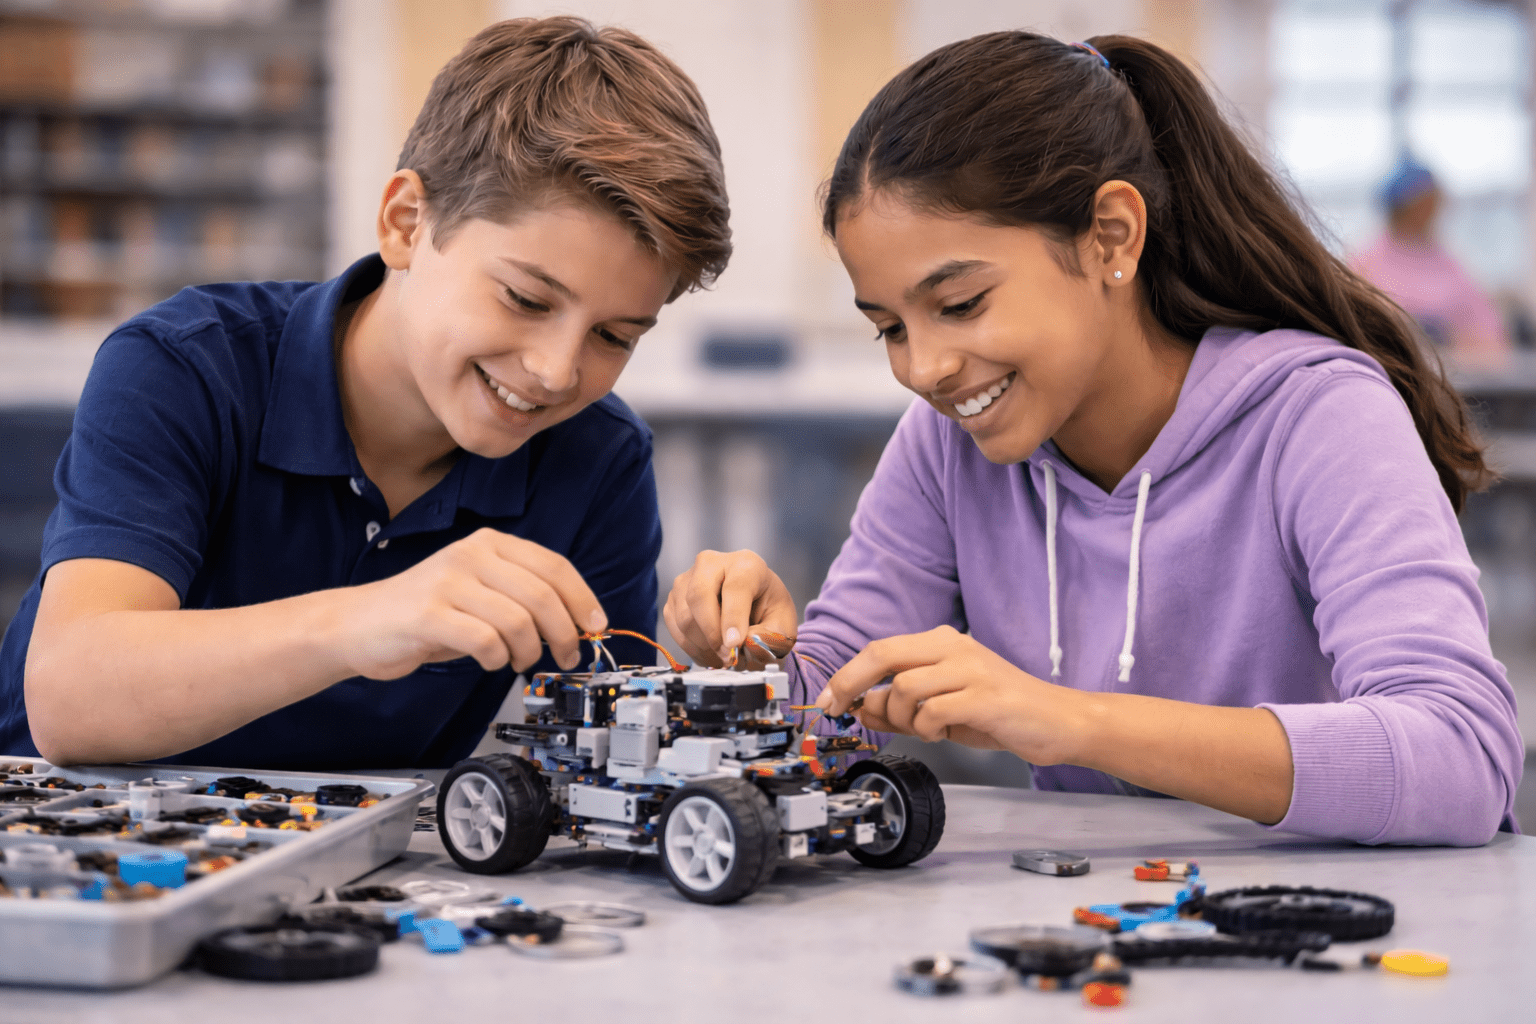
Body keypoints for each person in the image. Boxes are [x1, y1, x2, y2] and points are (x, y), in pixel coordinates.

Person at [665, 33, 1521, 846]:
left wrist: (1068, 721)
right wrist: (759, 666)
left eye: (960, 304)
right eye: (889, 327)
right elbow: (833, 699)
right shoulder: (946, 444)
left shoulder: (1318, 416)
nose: (924, 368)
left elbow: (1461, 756)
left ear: (1113, 235)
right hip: (1105, 934)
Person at [0, 18, 731, 769]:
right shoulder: (184, 369)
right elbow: (69, 696)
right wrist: (368, 621)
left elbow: (612, 763)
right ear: (406, 224)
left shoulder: (598, 459)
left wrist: (730, 674)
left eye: (614, 337)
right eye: (525, 299)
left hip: (369, 876)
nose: (556, 371)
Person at [1351, 156, 1510, 360]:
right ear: (1402, 206)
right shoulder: (1366, 261)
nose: (1432, 212)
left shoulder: (1448, 262)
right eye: (1423, 203)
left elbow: (1487, 329)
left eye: (1434, 203)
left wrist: (1456, 339)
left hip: (1455, 371)